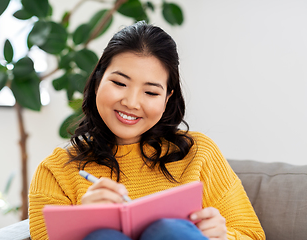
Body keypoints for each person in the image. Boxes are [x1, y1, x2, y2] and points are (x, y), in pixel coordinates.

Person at [28, 21, 265, 240]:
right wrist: (81, 224)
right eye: (120, 83)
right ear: (98, 80)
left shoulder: (199, 152)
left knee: (169, 231)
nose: (131, 103)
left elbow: (251, 234)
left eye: (150, 92)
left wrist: (219, 237)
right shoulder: (55, 171)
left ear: (167, 99)